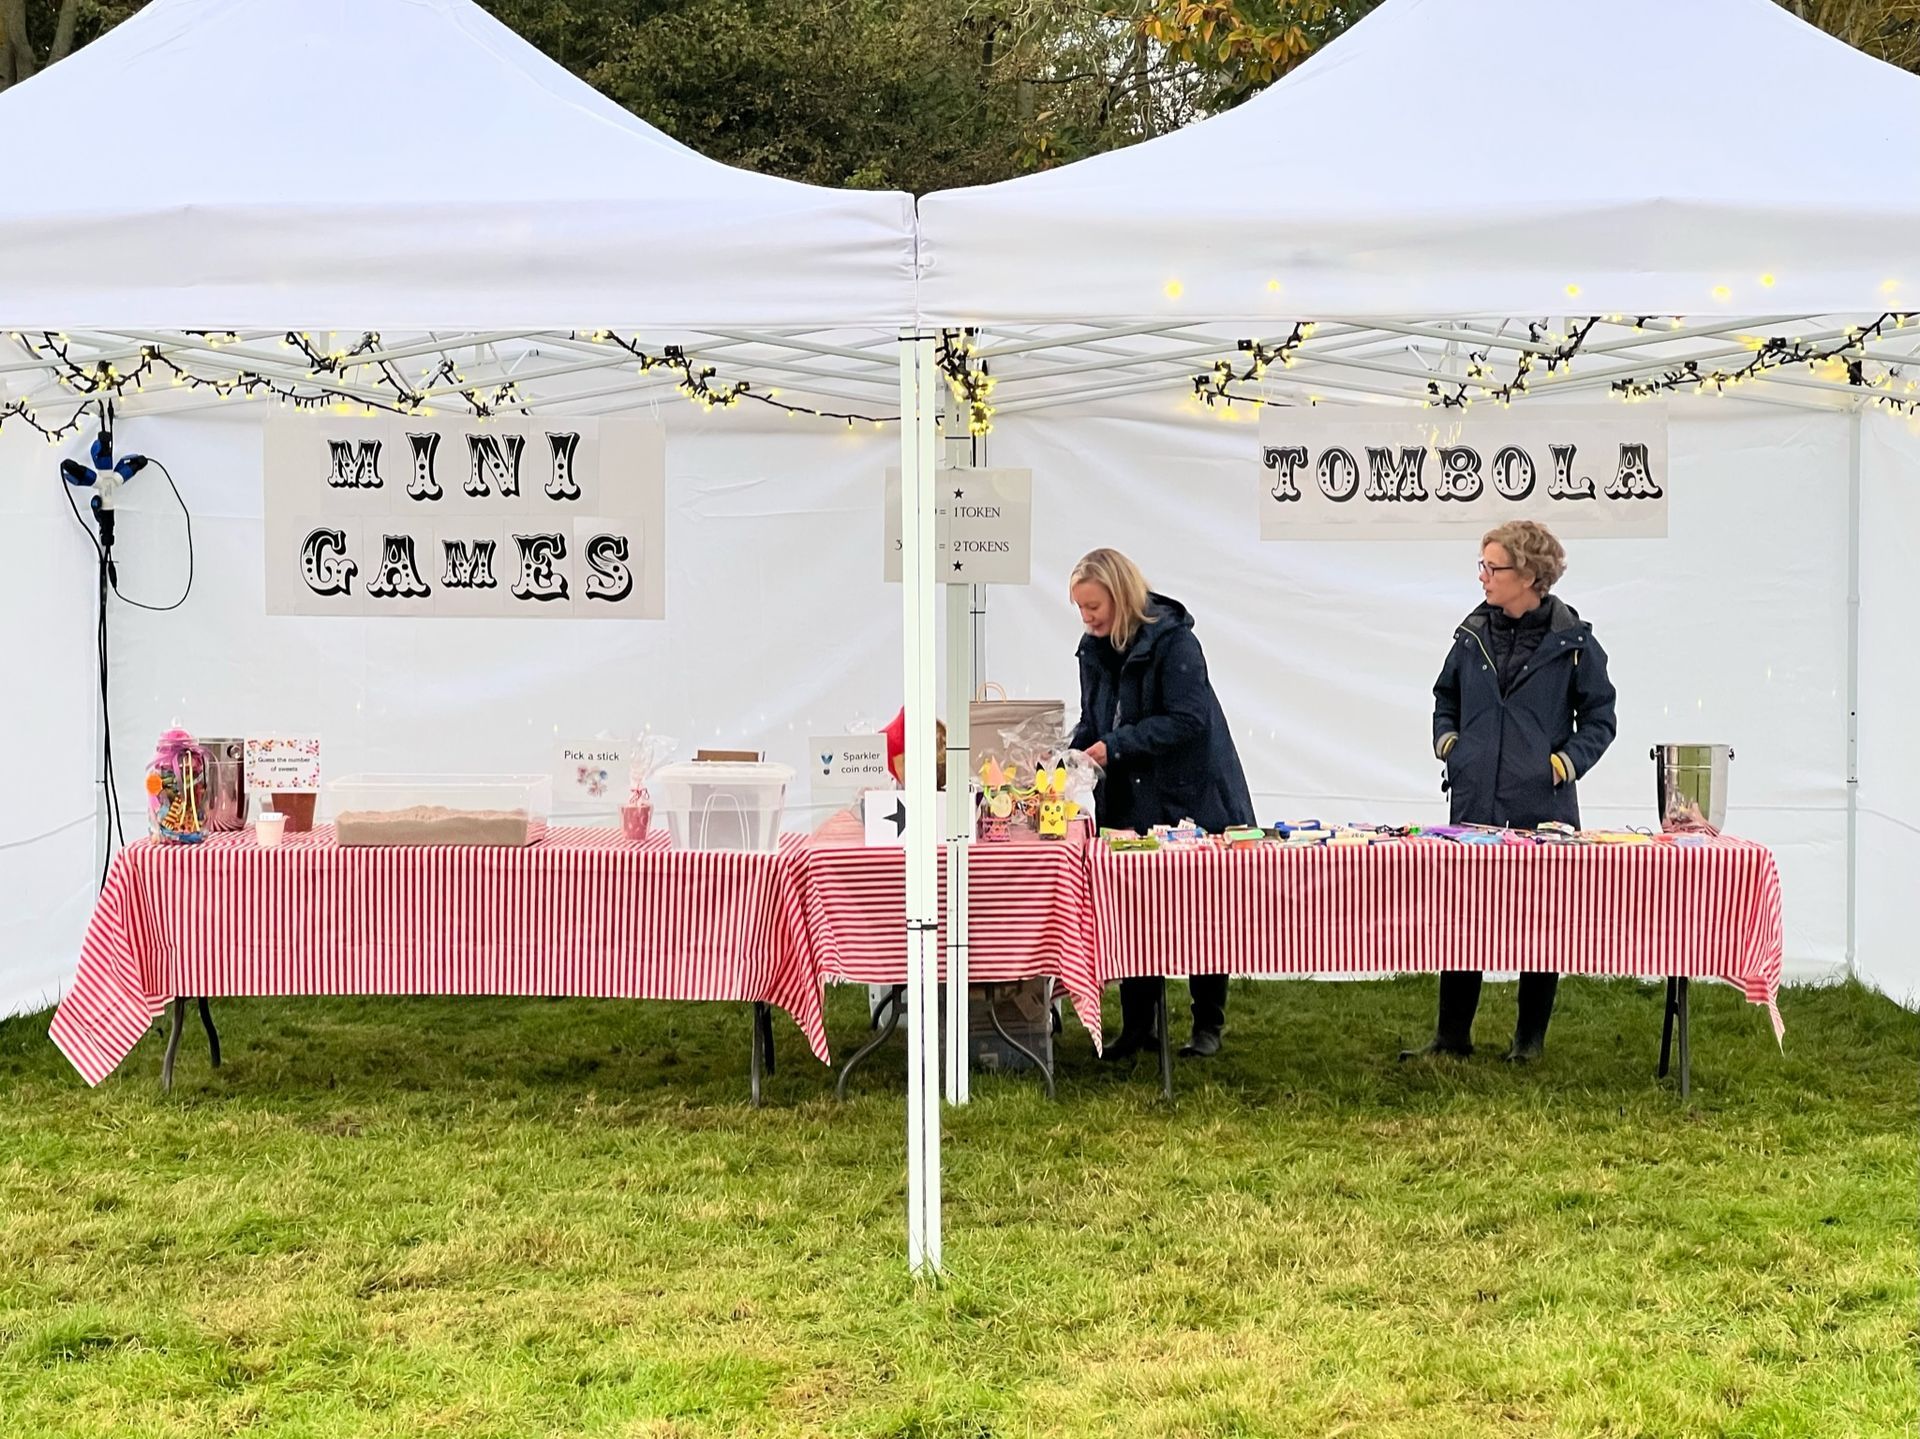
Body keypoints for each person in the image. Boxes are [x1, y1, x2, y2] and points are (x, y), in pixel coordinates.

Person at [1406, 520, 1618, 1064]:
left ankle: (1528, 1043)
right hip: (1473, 800)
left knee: (1541, 918)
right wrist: (1450, 744)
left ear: (1527, 575)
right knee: (1461, 919)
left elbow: (1599, 718)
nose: (1482, 578)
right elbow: (1444, 697)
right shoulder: (1470, 634)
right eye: (1482, 566)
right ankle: (1451, 1038)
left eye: (1491, 567)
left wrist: (1563, 764)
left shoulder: (1575, 644)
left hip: (1542, 805)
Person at [1068, 548, 1254, 1060]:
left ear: (1121, 596)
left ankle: (1207, 1026)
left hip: (1192, 794)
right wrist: (1069, 753)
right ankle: (1138, 1027)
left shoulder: (1176, 643)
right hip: (1130, 797)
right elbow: (1094, 720)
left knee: (1204, 913)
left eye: (1094, 607)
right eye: (1081, 609)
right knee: (1132, 911)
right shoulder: (1093, 650)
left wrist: (1118, 745)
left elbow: (1190, 719)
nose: (1087, 618)